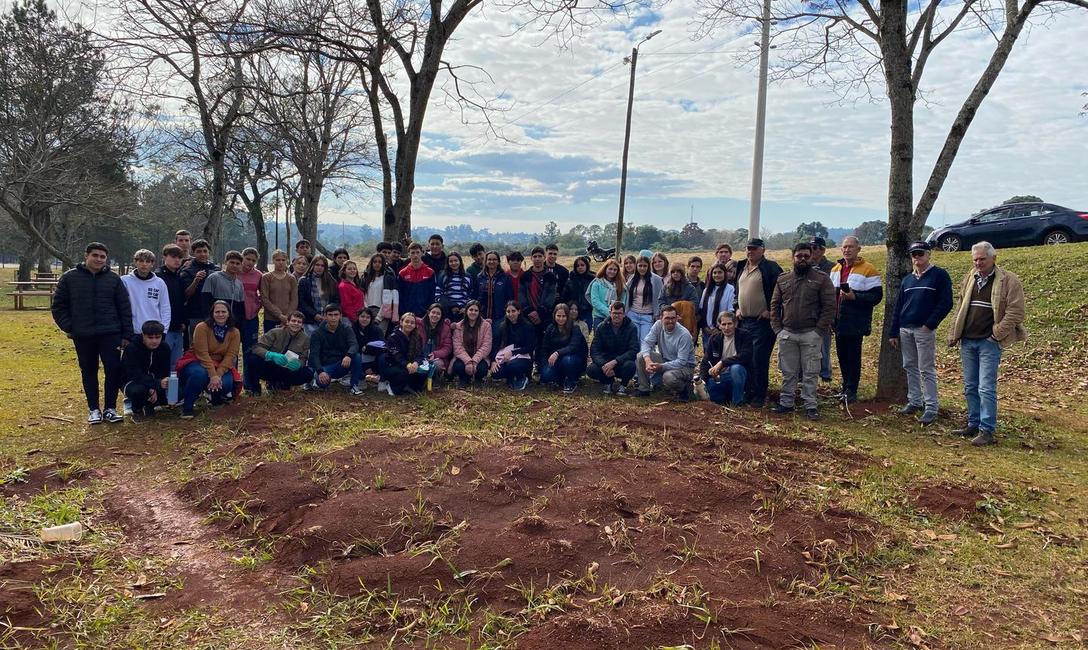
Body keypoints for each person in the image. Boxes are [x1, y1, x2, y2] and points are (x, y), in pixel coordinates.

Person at [947, 241, 1027, 446]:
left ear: (993, 258)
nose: (978, 263)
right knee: (970, 386)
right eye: (975, 259)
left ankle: (987, 430)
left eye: (982, 259)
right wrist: (954, 332)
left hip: (988, 343)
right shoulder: (970, 278)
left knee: (986, 387)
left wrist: (997, 334)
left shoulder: (1009, 280)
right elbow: (960, 306)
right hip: (968, 341)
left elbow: (1016, 312)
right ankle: (973, 423)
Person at [52, 242, 133, 424]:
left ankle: (110, 408)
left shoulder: (113, 279)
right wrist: (71, 327)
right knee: (89, 370)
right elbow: (58, 306)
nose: (98, 259)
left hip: (110, 333)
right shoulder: (69, 278)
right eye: (95, 255)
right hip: (84, 335)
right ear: (86, 255)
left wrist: (126, 334)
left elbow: (124, 307)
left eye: (102, 257)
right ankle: (94, 409)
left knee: (113, 370)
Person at [888, 242, 954, 425]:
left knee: (926, 368)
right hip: (905, 328)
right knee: (909, 365)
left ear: (928, 254)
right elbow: (898, 306)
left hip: (923, 329)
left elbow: (946, 302)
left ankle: (931, 406)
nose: (916, 257)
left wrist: (930, 324)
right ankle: (915, 401)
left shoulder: (939, 275)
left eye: (920, 253)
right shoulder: (907, 280)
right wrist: (894, 331)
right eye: (913, 254)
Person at [770, 243, 836, 420]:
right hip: (788, 333)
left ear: (812, 257)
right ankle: (786, 402)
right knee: (788, 371)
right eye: (799, 256)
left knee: (811, 371)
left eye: (806, 256)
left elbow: (829, 307)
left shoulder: (821, 279)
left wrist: (819, 331)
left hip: (811, 333)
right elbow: (774, 305)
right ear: (793, 257)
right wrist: (778, 330)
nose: (803, 259)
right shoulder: (783, 279)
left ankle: (810, 405)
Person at [829, 236, 883, 404]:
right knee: (842, 356)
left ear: (858, 249)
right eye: (844, 247)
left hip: (855, 321)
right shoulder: (835, 269)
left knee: (853, 357)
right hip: (838, 321)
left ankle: (852, 390)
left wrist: (855, 296)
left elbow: (876, 296)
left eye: (851, 247)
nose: (847, 250)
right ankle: (845, 387)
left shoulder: (868, 269)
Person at [737, 238, 783, 408]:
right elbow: (738, 291)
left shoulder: (771, 268)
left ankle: (759, 395)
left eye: (754, 249)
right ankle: (748, 392)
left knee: (759, 359)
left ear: (763, 250)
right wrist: (737, 307)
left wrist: (771, 310)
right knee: (746, 358)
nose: (750, 251)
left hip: (762, 323)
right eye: (748, 248)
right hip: (744, 322)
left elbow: (781, 291)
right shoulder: (741, 267)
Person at [179, 300, 240, 419]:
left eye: (224, 312)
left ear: (229, 314)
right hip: (197, 360)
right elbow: (202, 353)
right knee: (200, 375)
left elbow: (230, 356)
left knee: (226, 384)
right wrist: (213, 375)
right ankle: (187, 407)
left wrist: (217, 375)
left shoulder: (234, 332)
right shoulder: (202, 327)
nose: (220, 314)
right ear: (212, 314)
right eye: (217, 312)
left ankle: (215, 399)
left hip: (220, 364)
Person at [636, 304, 696, 400]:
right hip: (665, 359)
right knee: (640, 356)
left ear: (677, 318)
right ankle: (644, 389)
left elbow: (682, 361)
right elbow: (646, 343)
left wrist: (662, 367)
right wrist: (648, 360)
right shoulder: (658, 325)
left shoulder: (684, 335)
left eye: (673, 318)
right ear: (661, 318)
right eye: (667, 318)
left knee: (668, 377)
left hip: (685, 367)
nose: (670, 321)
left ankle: (684, 389)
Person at [245, 311, 313, 394]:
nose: (296, 324)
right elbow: (256, 348)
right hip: (271, 365)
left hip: (287, 368)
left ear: (302, 325)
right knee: (253, 359)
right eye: (293, 321)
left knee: (308, 373)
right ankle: (254, 389)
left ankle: (283, 385)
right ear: (287, 322)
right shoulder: (275, 332)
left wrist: (299, 364)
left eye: (299, 322)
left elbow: (304, 357)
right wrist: (270, 355)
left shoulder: (305, 339)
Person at [121, 320, 172, 422]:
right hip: (132, 382)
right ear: (143, 335)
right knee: (138, 390)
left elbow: (164, 371)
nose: (154, 341)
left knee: (178, 391)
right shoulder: (132, 348)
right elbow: (134, 374)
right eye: (150, 337)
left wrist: (158, 385)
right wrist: (152, 386)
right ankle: (137, 410)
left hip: (155, 381)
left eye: (157, 337)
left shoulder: (165, 348)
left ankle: (150, 405)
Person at [308, 303, 364, 394]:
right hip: (325, 365)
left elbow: (354, 344)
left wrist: (348, 355)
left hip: (342, 363)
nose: (333, 318)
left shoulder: (347, 329)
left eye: (336, 315)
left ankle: (354, 386)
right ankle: (315, 378)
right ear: (325, 316)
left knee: (356, 356)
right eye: (330, 315)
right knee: (322, 384)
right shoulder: (317, 333)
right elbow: (314, 355)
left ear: (340, 316)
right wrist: (320, 371)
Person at [700, 311, 752, 406]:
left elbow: (745, 356)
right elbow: (705, 361)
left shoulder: (745, 335)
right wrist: (703, 380)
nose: (727, 327)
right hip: (721, 377)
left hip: (740, 376)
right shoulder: (714, 338)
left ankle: (737, 402)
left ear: (735, 324)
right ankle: (726, 399)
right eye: (723, 324)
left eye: (729, 324)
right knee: (710, 387)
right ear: (719, 325)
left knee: (736, 368)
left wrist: (722, 363)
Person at [588, 302, 640, 395]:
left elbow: (634, 350)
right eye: (614, 313)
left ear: (624, 314)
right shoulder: (601, 327)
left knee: (630, 366)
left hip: (622, 362)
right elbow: (594, 350)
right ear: (610, 313)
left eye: (619, 313)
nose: (617, 315)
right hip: (606, 362)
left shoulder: (631, 327)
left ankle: (623, 386)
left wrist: (616, 361)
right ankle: (608, 383)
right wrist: (604, 365)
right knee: (591, 369)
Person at [538, 304, 588, 394]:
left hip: (573, 359)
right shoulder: (550, 328)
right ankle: (559, 379)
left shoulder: (575, 328)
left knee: (567, 360)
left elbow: (573, 347)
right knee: (546, 375)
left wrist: (557, 353)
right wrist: (544, 365)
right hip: (556, 360)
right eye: (558, 316)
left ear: (568, 316)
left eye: (564, 316)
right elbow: (544, 348)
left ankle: (571, 381)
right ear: (554, 316)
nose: (561, 319)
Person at [122, 249, 172, 337]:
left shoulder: (159, 283)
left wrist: (164, 330)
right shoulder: (125, 281)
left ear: (152, 264)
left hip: (154, 333)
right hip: (132, 331)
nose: (144, 264)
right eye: (141, 261)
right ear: (135, 262)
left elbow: (165, 308)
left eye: (148, 261)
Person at [490, 301, 536, 391]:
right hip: (505, 357)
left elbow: (530, 347)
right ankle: (510, 377)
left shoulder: (527, 326)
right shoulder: (502, 326)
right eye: (508, 311)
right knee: (496, 373)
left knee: (513, 365)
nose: (511, 314)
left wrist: (513, 352)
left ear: (519, 311)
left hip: (524, 357)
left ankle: (522, 377)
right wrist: (493, 361)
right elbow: (495, 345)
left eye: (513, 311)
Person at [381, 312, 428, 395]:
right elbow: (397, 356)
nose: (409, 324)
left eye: (412, 323)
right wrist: (408, 365)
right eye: (407, 322)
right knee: (404, 373)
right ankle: (391, 385)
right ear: (401, 322)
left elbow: (420, 354)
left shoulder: (417, 336)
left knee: (423, 372)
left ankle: (409, 385)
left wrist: (416, 363)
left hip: (412, 364)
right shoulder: (393, 337)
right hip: (394, 366)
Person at [179, 239, 219, 337]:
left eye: (205, 251)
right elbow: (186, 294)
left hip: (214, 315)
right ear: (194, 253)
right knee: (195, 346)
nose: (202, 254)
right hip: (194, 315)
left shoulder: (216, 270)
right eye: (199, 251)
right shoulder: (187, 270)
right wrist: (196, 281)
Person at [157, 244, 187, 370]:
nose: (177, 260)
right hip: (164, 329)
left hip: (178, 328)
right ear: (164, 257)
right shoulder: (158, 277)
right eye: (173, 257)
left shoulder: (179, 276)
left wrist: (183, 322)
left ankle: (173, 390)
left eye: (180, 257)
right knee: (162, 363)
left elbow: (181, 302)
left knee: (175, 366)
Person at [519, 247, 558, 346]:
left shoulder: (550, 276)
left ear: (544, 258)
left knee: (544, 343)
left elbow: (551, 296)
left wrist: (540, 312)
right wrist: (530, 311)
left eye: (540, 256)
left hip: (545, 316)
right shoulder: (525, 276)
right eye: (535, 256)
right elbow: (521, 295)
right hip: (528, 316)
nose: (537, 259)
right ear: (531, 258)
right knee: (529, 343)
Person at [451, 300, 493, 386]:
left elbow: (486, 346)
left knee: (482, 368)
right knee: (458, 366)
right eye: (471, 310)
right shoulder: (458, 326)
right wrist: (468, 361)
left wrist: (474, 361)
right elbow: (457, 348)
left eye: (476, 310)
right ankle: (464, 379)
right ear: (466, 311)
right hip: (463, 357)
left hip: (479, 358)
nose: (473, 312)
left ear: (479, 312)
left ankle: (479, 379)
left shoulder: (486, 326)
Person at [201, 250, 246, 326]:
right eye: (232, 262)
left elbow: (241, 307)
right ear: (226, 262)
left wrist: (239, 322)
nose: (234, 265)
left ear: (241, 265)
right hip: (215, 322)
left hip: (232, 324)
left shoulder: (239, 284)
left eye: (237, 263)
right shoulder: (213, 278)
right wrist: (209, 320)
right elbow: (205, 301)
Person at [698, 263, 736, 352]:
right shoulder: (707, 290)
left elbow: (730, 311)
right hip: (707, 330)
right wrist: (705, 327)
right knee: (708, 356)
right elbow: (702, 309)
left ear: (724, 274)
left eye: (720, 272)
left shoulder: (730, 289)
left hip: (722, 330)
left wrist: (719, 327)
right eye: (714, 273)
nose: (717, 275)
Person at [298, 255, 340, 335]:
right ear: (312, 265)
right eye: (317, 265)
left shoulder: (331, 281)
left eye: (322, 265)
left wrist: (329, 314)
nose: (319, 267)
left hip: (328, 320)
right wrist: (314, 314)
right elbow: (302, 302)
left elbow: (336, 300)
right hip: (310, 320)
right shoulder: (304, 281)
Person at [625, 256, 663, 343]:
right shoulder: (632, 279)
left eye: (645, 266)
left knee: (645, 342)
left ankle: (644, 357)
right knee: (634, 341)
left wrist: (657, 314)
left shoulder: (656, 279)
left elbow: (660, 298)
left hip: (648, 316)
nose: (642, 268)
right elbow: (625, 295)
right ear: (636, 266)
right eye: (640, 265)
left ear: (648, 266)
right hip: (633, 314)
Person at [260, 249, 299, 333]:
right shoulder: (266, 277)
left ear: (287, 261)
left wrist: (287, 316)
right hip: (270, 318)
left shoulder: (291, 278)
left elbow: (294, 299)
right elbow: (264, 298)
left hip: (288, 318)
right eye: (278, 260)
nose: (280, 262)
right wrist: (279, 315)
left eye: (283, 260)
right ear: (273, 261)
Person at [238, 248, 264, 363]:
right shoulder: (235, 272)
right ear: (242, 258)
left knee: (250, 350)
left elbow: (263, 294)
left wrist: (257, 305)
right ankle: (233, 379)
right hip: (235, 316)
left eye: (253, 260)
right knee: (232, 349)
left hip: (251, 317)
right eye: (248, 259)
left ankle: (249, 380)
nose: (250, 262)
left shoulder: (258, 275)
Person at [399, 242, 437, 319]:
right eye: (413, 253)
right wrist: (403, 311)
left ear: (422, 253)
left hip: (425, 313)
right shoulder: (402, 273)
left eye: (417, 252)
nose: (415, 255)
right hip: (407, 314)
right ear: (409, 254)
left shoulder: (430, 272)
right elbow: (400, 295)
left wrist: (429, 310)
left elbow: (432, 293)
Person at [362, 253, 399, 330]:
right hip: (368, 311)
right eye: (375, 262)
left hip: (383, 312)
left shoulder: (388, 278)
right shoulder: (366, 278)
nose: (377, 264)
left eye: (380, 262)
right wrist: (366, 311)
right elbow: (364, 296)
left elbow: (388, 299)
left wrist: (379, 317)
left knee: (379, 339)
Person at [476, 251, 513, 323]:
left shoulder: (505, 277)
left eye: (494, 259)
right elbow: (476, 295)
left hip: (499, 317)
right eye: (489, 259)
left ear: (498, 262)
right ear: (485, 262)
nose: (491, 261)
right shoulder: (480, 277)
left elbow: (509, 297)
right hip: (482, 316)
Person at [587, 259, 626, 329]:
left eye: (615, 270)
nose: (612, 271)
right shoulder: (596, 284)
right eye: (610, 269)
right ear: (605, 269)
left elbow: (623, 301)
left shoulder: (620, 285)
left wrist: (615, 314)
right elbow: (595, 301)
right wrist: (609, 312)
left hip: (616, 318)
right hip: (599, 317)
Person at [435, 252, 473, 322]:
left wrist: (466, 307)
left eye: (456, 260)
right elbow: (438, 295)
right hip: (447, 311)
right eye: (451, 261)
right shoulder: (443, 276)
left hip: (464, 312)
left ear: (460, 261)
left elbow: (470, 294)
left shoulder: (468, 276)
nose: (454, 263)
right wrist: (450, 306)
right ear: (448, 263)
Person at [352, 307, 385, 385]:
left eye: (368, 317)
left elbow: (383, 346)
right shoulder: (352, 329)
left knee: (383, 356)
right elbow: (351, 345)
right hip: (359, 359)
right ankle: (360, 377)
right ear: (358, 317)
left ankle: (382, 380)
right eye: (362, 316)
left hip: (373, 358)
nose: (365, 319)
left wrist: (367, 349)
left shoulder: (377, 330)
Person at [420, 303, 453, 380]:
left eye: (438, 313)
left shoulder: (446, 328)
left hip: (436, 357)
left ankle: (433, 379)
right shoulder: (419, 325)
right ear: (428, 313)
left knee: (437, 365)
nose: (435, 315)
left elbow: (447, 347)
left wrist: (435, 354)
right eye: (433, 312)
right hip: (420, 355)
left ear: (441, 316)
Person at [563, 256, 594, 328]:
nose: (580, 267)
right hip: (573, 311)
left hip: (587, 310)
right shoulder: (570, 281)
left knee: (585, 332)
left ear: (587, 266)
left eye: (582, 265)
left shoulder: (592, 280)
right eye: (577, 266)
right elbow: (565, 297)